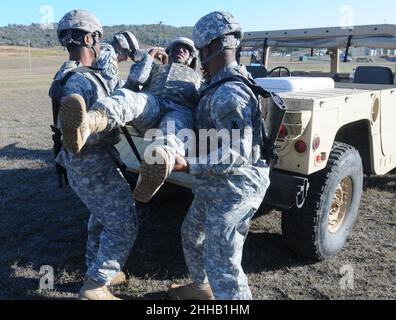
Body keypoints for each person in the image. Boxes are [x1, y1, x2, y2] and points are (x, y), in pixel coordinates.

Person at [168, 11, 271, 300]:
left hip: (234, 187)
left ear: (211, 47)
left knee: (224, 264)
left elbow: (237, 154)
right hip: (215, 183)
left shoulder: (229, 93)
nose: (198, 57)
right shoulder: (219, 84)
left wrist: (189, 165)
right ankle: (202, 288)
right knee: (192, 233)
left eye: (200, 49)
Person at [50, 10, 138, 300]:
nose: (100, 46)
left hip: (79, 167)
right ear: (89, 38)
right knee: (124, 223)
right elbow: (85, 132)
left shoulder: (66, 74)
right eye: (98, 40)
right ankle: (95, 284)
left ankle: (100, 269)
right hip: (93, 164)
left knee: (101, 217)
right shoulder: (83, 82)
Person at [59, 37, 201, 203]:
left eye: (186, 49)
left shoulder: (197, 78)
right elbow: (136, 79)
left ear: (192, 57)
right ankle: (87, 124)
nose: (181, 50)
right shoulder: (156, 67)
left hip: (179, 109)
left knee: (172, 133)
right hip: (153, 102)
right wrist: (150, 56)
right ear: (167, 52)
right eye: (176, 47)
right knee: (130, 98)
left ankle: (152, 173)